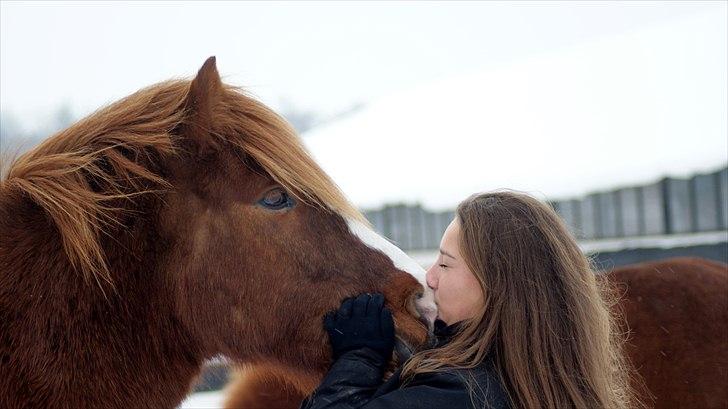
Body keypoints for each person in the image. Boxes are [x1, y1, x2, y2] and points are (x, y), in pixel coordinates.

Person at [301, 191, 633, 409]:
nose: (430, 277)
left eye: (445, 263)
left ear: (497, 287)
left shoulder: (462, 394)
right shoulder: (533, 385)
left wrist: (358, 359)